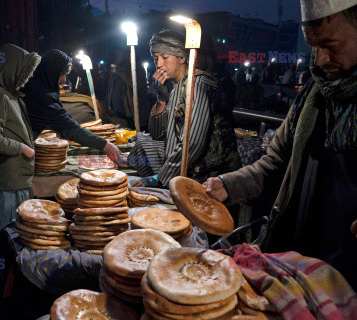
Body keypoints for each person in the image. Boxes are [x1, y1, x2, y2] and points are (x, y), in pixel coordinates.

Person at [204, 1, 357, 290]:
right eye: (314, 46)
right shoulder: (314, 93)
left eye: (331, 45)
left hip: (347, 272)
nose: (321, 59)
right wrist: (227, 184)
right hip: (296, 257)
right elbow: (275, 162)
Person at [128, 30, 241, 188]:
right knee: (137, 152)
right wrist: (161, 99)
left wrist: (161, 178)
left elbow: (193, 143)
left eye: (165, 57)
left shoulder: (197, 84)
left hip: (208, 176)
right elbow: (157, 134)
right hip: (182, 164)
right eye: (156, 58)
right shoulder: (176, 86)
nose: (159, 64)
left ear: (182, 58)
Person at [0, 43, 41, 237]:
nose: (23, 81)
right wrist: (21, 147)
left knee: (14, 235)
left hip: (16, 176)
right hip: (7, 180)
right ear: (10, 69)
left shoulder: (8, 94)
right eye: (22, 74)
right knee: (5, 235)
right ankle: (1, 266)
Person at [22, 49, 122, 163]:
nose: (64, 79)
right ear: (51, 72)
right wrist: (106, 145)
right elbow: (69, 128)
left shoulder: (32, 85)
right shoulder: (42, 95)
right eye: (61, 74)